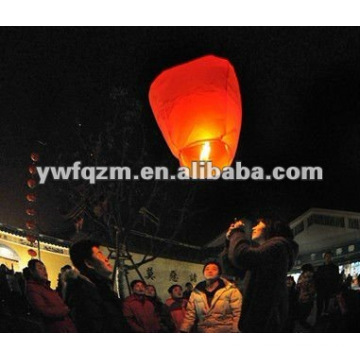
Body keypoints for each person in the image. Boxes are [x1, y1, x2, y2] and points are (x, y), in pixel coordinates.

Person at [227, 218, 299, 332]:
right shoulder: (271, 250)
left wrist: (238, 232)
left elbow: (242, 256)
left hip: (264, 319)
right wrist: (231, 239)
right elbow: (232, 265)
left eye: (258, 224)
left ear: (270, 227)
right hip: (264, 317)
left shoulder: (278, 246)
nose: (253, 228)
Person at [66, 238, 128, 332]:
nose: (106, 259)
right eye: (99, 254)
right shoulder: (83, 293)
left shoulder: (100, 288)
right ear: (88, 263)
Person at [180, 261, 242, 333]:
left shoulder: (231, 290)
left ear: (219, 274)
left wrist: (236, 331)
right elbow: (190, 314)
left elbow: (238, 313)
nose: (210, 271)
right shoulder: (196, 292)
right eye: (207, 269)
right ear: (203, 273)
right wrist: (184, 330)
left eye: (214, 269)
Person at [25, 259, 76, 332]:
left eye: (44, 268)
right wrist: (64, 310)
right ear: (32, 271)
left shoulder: (46, 287)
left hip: (66, 326)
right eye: (40, 268)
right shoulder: (33, 288)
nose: (44, 271)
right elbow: (43, 310)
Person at [315, 251, 340, 318]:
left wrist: (336, 290)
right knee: (320, 304)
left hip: (330, 289)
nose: (328, 258)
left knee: (328, 304)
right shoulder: (320, 268)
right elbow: (317, 279)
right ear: (324, 258)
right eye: (327, 257)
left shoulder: (335, 268)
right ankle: (319, 316)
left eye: (329, 257)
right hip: (321, 289)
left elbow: (336, 279)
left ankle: (325, 316)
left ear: (331, 258)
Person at [296, 264, 316, 330]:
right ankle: (311, 329)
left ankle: (309, 329)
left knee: (302, 318)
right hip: (306, 300)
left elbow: (298, 287)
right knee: (302, 319)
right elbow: (312, 290)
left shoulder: (302, 277)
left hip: (303, 300)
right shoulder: (308, 278)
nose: (310, 273)